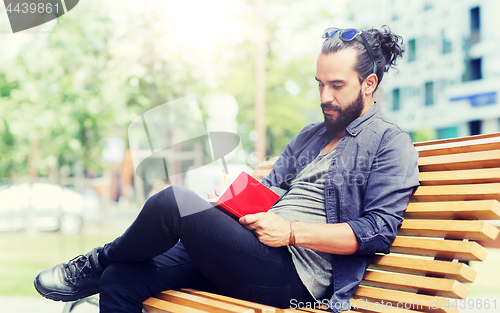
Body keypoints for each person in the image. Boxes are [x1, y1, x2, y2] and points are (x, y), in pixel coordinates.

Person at [34, 26, 419, 313]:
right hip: (250, 254)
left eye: (336, 85)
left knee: (173, 202)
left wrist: (290, 232)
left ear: (369, 83)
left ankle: (89, 265)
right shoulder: (312, 135)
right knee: (121, 279)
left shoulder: (389, 142)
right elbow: (268, 189)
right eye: (319, 84)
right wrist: (227, 207)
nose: (324, 97)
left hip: (294, 278)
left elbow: (378, 231)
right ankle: (104, 267)